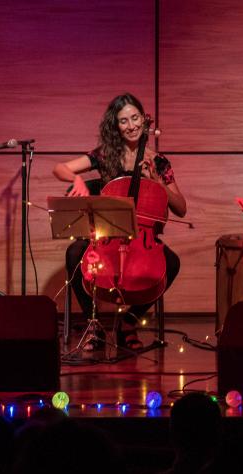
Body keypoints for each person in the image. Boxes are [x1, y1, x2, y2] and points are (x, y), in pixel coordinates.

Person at [53, 93, 187, 352]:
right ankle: (94, 325)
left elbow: (181, 207)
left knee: (171, 263)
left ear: (142, 118)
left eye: (135, 118)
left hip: (143, 239)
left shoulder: (158, 161)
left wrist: (158, 182)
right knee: (74, 254)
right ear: (115, 126)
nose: (132, 125)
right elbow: (59, 168)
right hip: (106, 235)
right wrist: (78, 180)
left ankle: (129, 322)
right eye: (123, 121)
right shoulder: (105, 155)